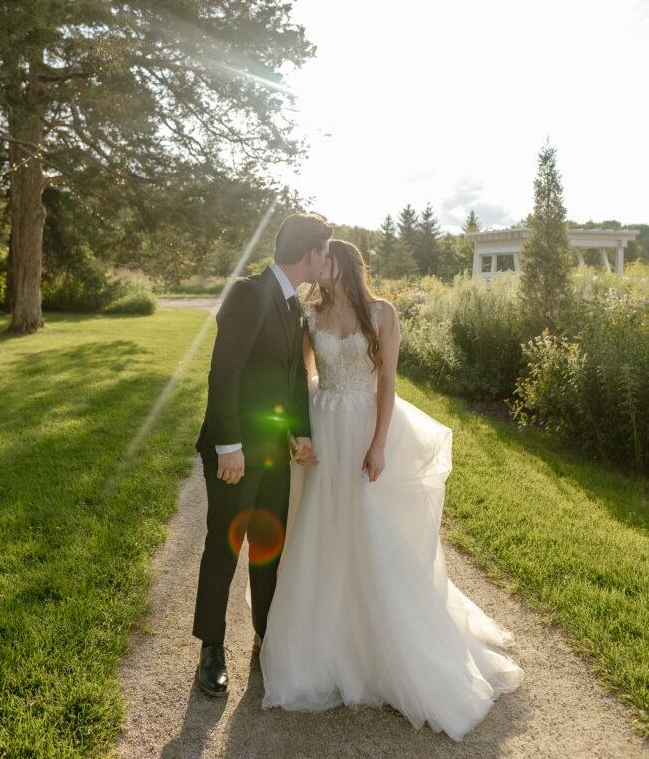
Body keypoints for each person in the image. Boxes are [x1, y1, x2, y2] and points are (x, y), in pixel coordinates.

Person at [260, 240, 524, 742]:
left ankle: (389, 645)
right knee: (320, 527)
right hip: (324, 423)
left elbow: (387, 383)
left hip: (363, 428)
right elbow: (303, 377)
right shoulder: (309, 314)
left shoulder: (382, 312)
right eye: (316, 261)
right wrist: (300, 433)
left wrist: (378, 444)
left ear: (346, 266)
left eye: (326, 261)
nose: (319, 269)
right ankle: (326, 644)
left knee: (368, 527)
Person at [192, 213, 331, 697]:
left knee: (268, 546)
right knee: (224, 546)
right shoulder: (249, 294)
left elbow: (292, 376)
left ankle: (264, 638)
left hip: (274, 452)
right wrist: (228, 446)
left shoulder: (294, 303)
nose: (326, 260)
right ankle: (211, 647)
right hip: (236, 451)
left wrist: (302, 433)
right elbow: (224, 372)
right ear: (311, 254)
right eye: (324, 252)